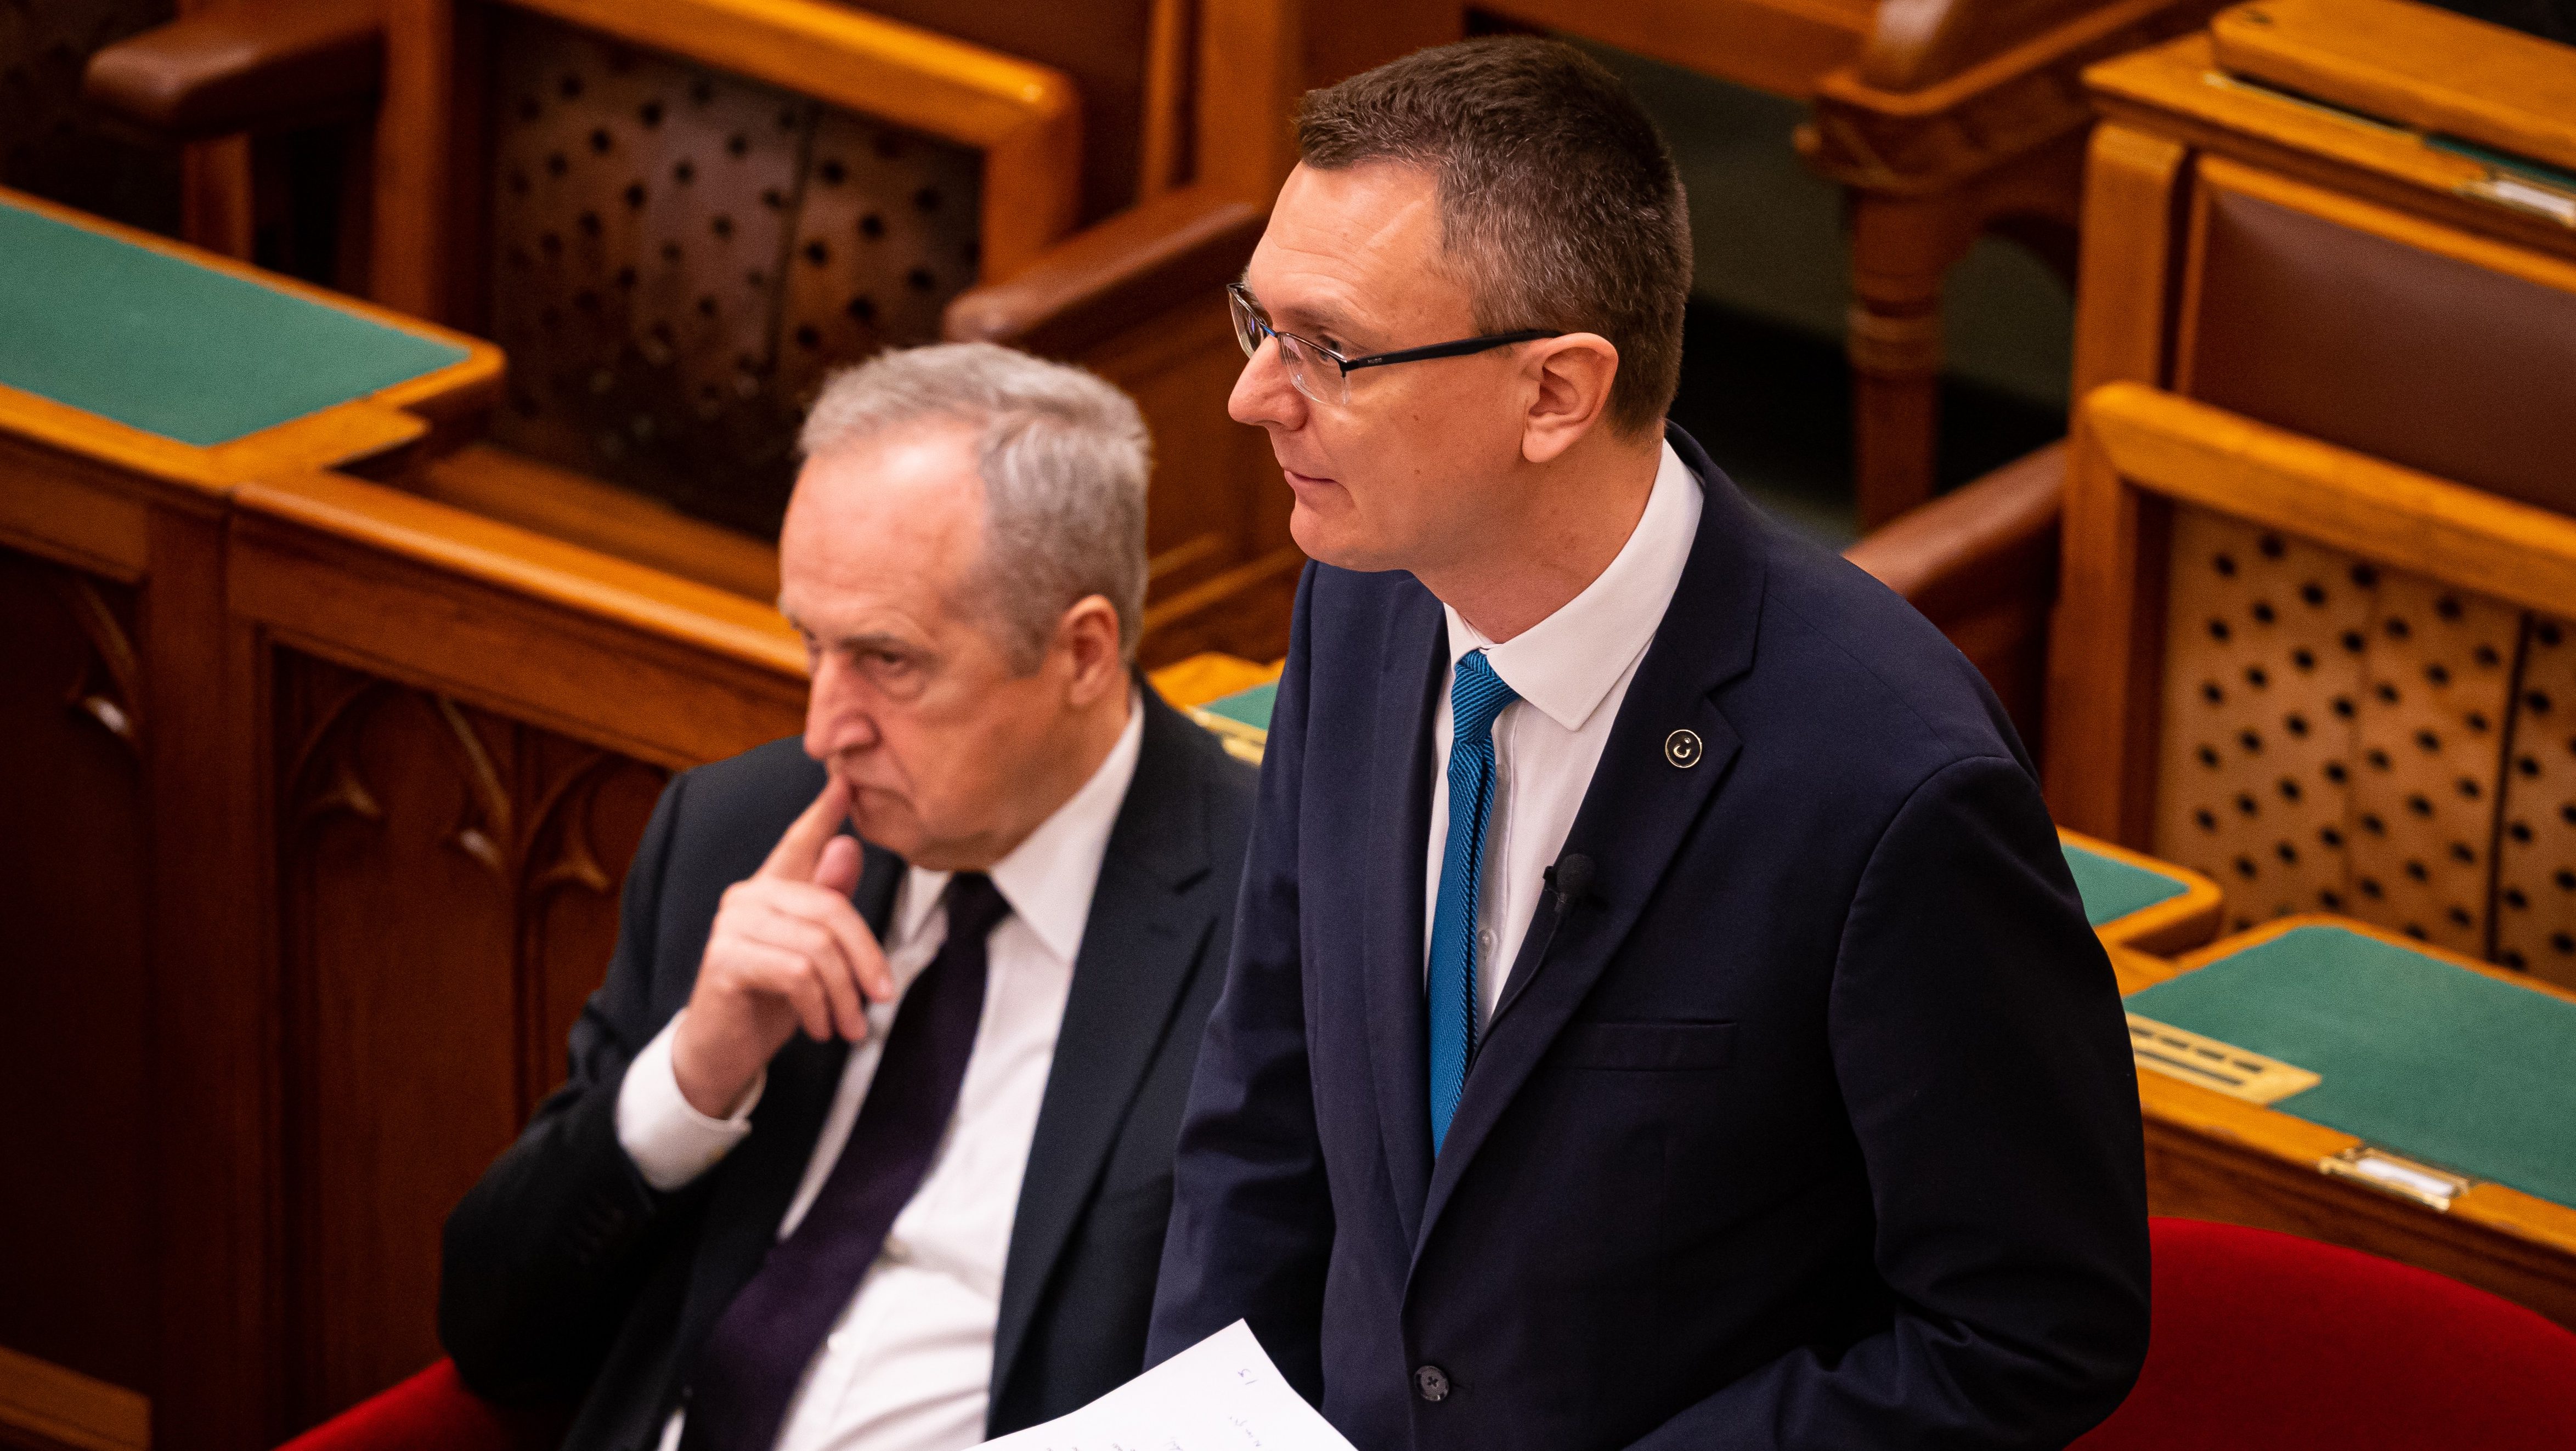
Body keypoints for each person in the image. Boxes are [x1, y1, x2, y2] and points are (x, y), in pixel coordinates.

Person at [1146, 38, 2150, 1450]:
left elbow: (2026, 1332)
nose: (1254, 395)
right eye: (1257, 322)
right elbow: (1268, 1094)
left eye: (1331, 350)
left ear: (1554, 392)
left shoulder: (1891, 784)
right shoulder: (1362, 597)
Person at [440, 343, 1258, 1451]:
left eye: (889, 661)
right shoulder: (736, 834)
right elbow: (493, 1340)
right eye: (811, 644)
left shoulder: (1269, 925)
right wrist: (690, 1082)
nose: (826, 727)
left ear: (1081, 652)